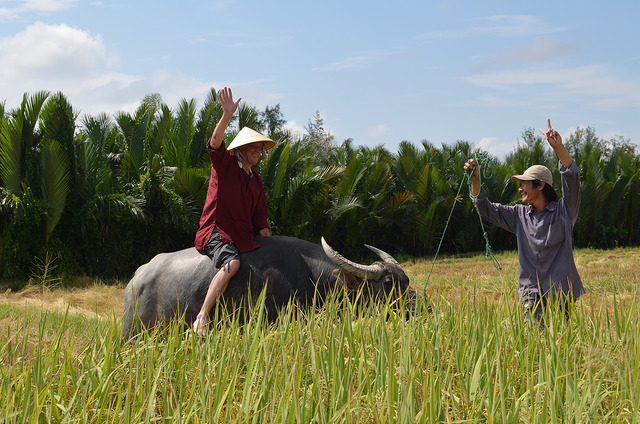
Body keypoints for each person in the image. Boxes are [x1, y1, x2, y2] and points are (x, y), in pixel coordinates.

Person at [464, 119, 585, 325]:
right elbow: (486, 208)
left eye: (524, 184)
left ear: (540, 185)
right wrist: (475, 182)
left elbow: (571, 178)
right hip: (531, 292)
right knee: (533, 339)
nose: (520, 189)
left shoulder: (564, 212)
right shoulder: (519, 215)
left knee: (559, 343)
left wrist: (559, 148)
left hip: (559, 292)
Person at [193, 87, 275, 336]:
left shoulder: (256, 180)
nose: (258, 151)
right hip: (218, 231)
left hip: (244, 236)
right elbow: (215, 144)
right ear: (241, 148)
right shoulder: (225, 165)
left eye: (260, 147)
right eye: (253, 146)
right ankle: (202, 316)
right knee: (233, 263)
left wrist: (273, 247)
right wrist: (227, 115)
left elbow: (261, 220)